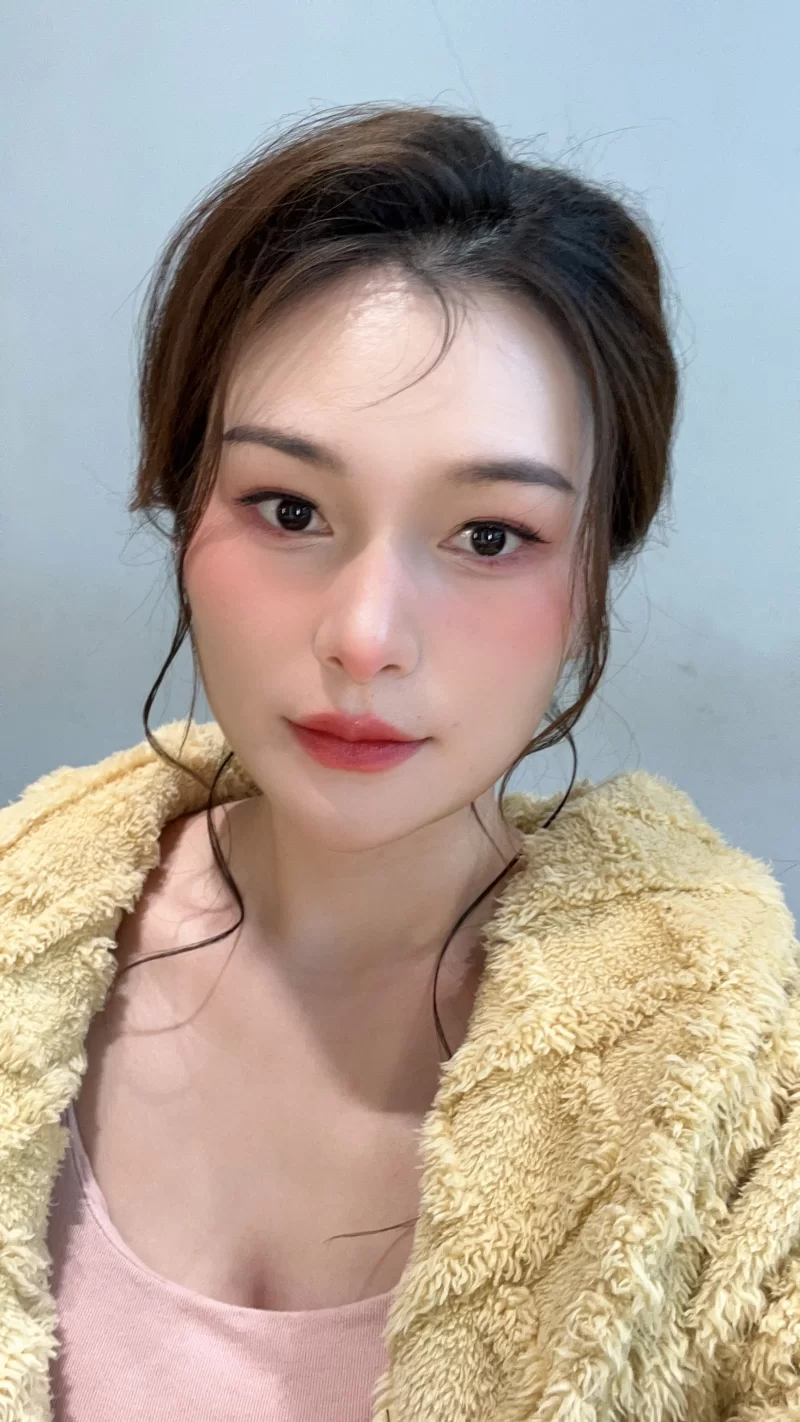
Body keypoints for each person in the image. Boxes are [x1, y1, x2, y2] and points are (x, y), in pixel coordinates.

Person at [1, 102, 797, 1422]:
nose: (366, 638)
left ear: (594, 576)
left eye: (490, 536)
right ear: (183, 507)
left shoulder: (748, 1093)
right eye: (289, 508)